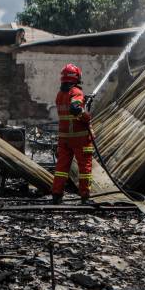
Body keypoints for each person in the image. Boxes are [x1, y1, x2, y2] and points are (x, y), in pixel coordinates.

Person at [52, 63, 93, 204]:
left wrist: (83, 103)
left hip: (64, 139)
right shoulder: (76, 92)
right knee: (84, 168)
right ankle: (85, 196)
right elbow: (75, 108)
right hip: (80, 138)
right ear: (76, 77)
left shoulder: (60, 95)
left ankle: (57, 195)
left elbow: (71, 107)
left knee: (61, 168)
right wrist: (87, 116)